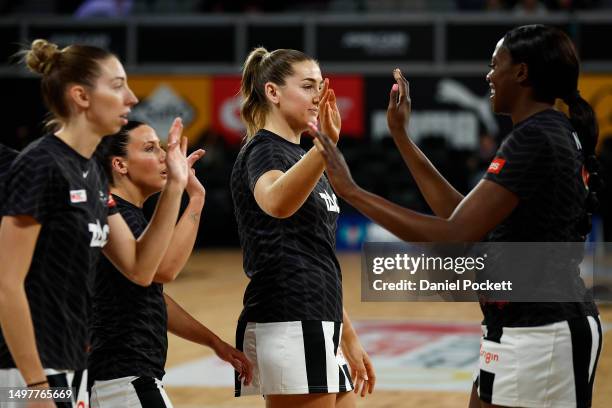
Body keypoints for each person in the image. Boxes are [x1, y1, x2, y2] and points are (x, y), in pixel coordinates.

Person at [309, 25, 602, 408]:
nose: (488, 75)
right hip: (520, 322)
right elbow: (463, 215)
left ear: (522, 72)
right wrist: (402, 137)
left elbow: (455, 233)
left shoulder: (536, 136)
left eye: (495, 64)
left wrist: (351, 191)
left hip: (542, 328)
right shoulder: (548, 130)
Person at [0, 39, 191, 408]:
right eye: (118, 86)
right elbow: (7, 285)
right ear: (81, 97)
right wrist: (37, 385)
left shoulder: (90, 174)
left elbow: (140, 268)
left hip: (72, 368)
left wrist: (177, 187)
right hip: (27, 372)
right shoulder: (40, 166)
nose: (132, 98)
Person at [230, 47, 375, 408]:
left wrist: (349, 336)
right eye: (308, 86)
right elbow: (276, 202)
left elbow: (314, 253)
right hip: (289, 319)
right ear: (273, 93)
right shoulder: (263, 150)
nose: (320, 96)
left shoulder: (301, 155)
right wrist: (324, 148)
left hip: (318, 317)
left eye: (322, 86)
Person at [88, 121, 252, 407]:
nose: (165, 156)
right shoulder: (116, 216)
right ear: (120, 165)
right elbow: (166, 269)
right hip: (123, 379)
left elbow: (153, 297)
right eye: (151, 149)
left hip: (123, 377)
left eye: (162, 147)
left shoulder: (128, 216)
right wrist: (188, 193)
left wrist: (214, 342)